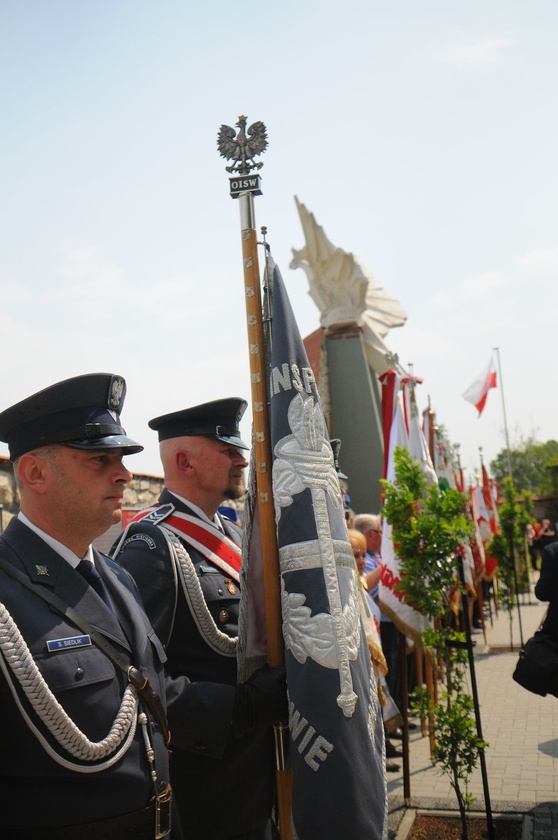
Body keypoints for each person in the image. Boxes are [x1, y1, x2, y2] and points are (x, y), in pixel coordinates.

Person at [0, 373, 178, 838]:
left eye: (120, 460)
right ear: (34, 473)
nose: (122, 474)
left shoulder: (116, 576)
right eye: (100, 460)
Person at [112, 397, 286, 840]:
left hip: (256, 775)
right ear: (185, 461)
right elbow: (134, 680)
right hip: (206, 790)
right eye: (227, 449)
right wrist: (239, 708)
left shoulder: (231, 534)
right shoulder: (150, 547)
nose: (242, 459)